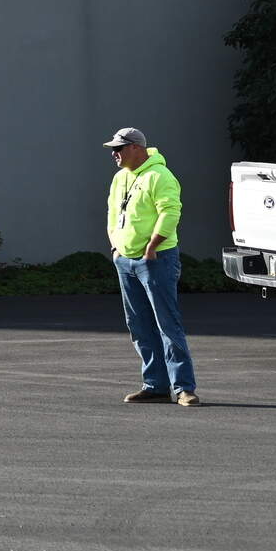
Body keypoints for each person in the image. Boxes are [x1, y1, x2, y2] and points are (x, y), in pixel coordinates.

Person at [106, 125, 198, 406]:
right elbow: (112, 212)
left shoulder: (160, 175)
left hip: (156, 259)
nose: (114, 154)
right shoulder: (120, 177)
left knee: (167, 323)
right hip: (126, 259)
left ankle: (183, 388)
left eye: (119, 149)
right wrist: (116, 247)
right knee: (139, 325)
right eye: (113, 150)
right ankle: (155, 385)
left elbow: (170, 212)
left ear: (136, 147)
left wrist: (152, 246)